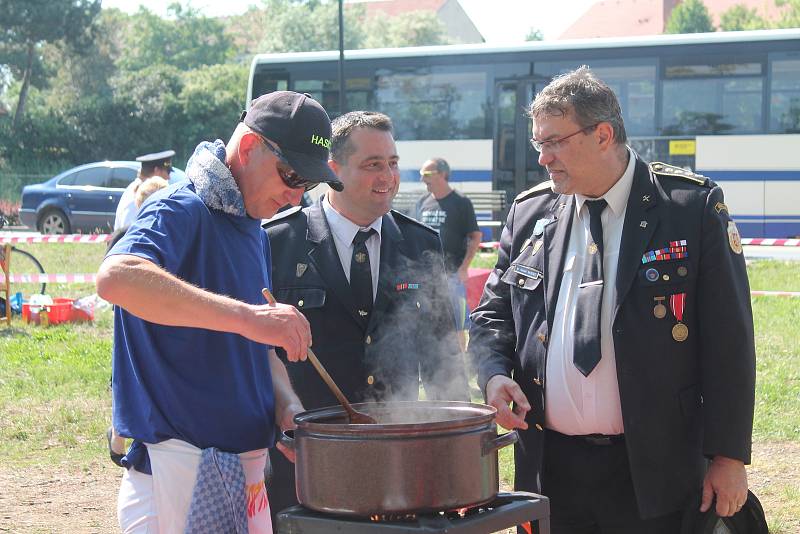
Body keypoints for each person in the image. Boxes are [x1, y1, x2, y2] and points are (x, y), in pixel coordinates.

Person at [469, 66, 755, 533]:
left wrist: (728, 456)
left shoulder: (688, 208)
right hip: (550, 467)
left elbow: (731, 343)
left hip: (652, 469)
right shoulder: (531, 212)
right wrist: (494, 375)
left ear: (602, 135)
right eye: (539, 144)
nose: (543, 158)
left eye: (555, 142)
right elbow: (492, 314)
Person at [96, 91, 343, 534]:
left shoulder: (253, 230)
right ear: (249, 148)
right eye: (290, 175)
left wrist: (285, 406)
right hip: (179, 469)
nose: (295, 196)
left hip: (239, 470)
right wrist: (250, 318)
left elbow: (254, 341)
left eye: (307, 183)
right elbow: (116, 277)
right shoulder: (180, 207)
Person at [263, 110, 469, 521]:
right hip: (306, 467)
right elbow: (255, 355)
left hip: (399, 468)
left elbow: (445, 358)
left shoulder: (420, 243)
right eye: (372, 165)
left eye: (392, 164)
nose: (388, 177)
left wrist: (457, 455)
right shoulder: (278, 242)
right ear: (333, 169)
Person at [105, 174, 170, 465]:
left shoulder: (144, 237)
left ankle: (121, 438)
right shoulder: (130, 238)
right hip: (133, 326)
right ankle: (119, 437)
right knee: (126, 382)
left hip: (148, 326)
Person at [415, 157, 482, 350]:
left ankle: (459, 366)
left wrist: (464, 268)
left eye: (426, 174)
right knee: (428, 323)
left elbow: (474, 236)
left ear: (443, 174)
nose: (422, 179)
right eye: (420, 175)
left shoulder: (461, 202)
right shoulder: (422, 203)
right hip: (426, 278)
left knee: (456, 325)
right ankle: (434, 363)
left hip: (452, 276)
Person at [114, 150, 174, 231]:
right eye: (168, 172)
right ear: (157, 171)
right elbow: (128, 231)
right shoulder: (138, 194)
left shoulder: (139, 189)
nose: (168, 177)